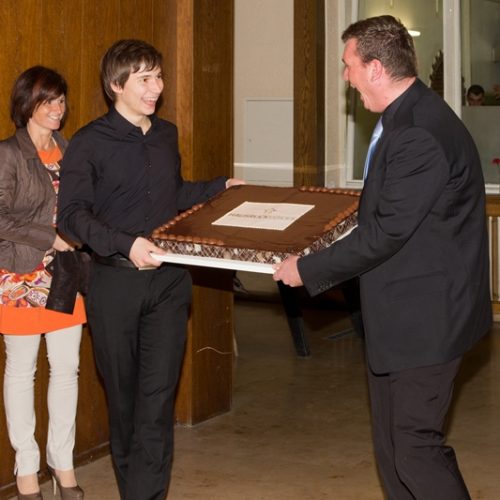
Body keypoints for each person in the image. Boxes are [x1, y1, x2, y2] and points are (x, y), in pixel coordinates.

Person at [273, 15, 491, 500]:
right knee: (393, 450)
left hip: (427, 322)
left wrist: (306, 268)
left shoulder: (418, 133)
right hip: (401, 317)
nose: (346, 77)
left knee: (414, 449)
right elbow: (386, 212)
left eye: (349, 65)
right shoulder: (407, 116)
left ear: (374, 68)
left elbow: (386, 233)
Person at [57, 39, 243, 500]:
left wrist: (220, 188)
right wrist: (126, 243)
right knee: (125, 406)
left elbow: (172, 195)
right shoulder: (88, 143)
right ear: (116, 85)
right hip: (114, 285)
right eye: (144, 79)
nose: (156, 87)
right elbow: (72, 217)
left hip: (168, 283)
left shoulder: (166, 135)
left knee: (157, 404)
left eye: (158, 76)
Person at [0, 66, 85, 500]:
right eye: (47, 100)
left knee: (66, 370)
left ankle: (62, 464)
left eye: (61, 100)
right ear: (26, 104)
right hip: (20, 275)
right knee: (22, 371)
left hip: (65, 275)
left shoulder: (71, 151)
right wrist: (48, 237)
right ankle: (27, 470)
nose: (57, 108)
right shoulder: (8, 153)